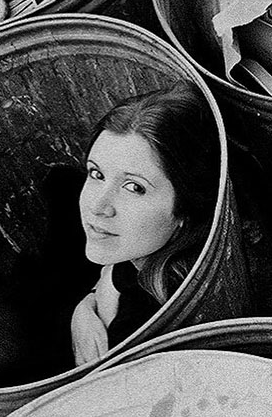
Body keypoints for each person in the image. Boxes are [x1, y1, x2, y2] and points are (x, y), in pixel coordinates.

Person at [71, 82, 220, 365]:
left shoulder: (142, 325)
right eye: (96, 173)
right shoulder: (144, 249)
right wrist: (85, 307)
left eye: (134, 187)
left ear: (184, 210)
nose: (98, 206)